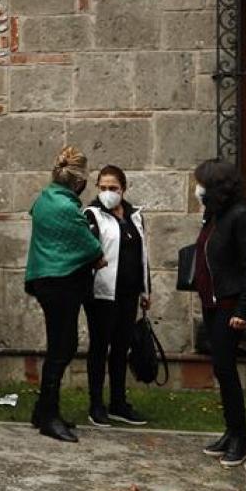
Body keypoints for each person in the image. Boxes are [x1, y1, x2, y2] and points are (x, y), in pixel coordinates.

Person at [24, 147, 106, 442]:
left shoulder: (44, 199)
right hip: (61, 284)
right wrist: (95, 253)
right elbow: (92, 248)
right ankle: (48, 415)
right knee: (63, 347)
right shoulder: (66, 208)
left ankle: (42, 410)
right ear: (79, 181)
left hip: (47, 281)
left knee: (59, 346)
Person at [191, 159, 246, 467]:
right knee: (221, 370)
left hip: (230, 307)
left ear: (215, 186)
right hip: (212, 303)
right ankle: (230, 432)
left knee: (226, 370)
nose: (197, 189)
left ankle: (241, 438)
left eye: (201, 184)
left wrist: (244, 309)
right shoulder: (214, 215)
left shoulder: (242, 217)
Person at [83, 165, 151, 427]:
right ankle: (96, 404)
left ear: (123, 189)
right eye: (103, 188)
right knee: (100, 348)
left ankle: (118, 403)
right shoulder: (92, 215)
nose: (108, 192)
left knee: (121, 348)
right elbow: (87, 251)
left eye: (113, 188)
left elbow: (143, 255)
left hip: (129, 293)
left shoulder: (135, 216)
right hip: (102, 294)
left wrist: (146, 289)